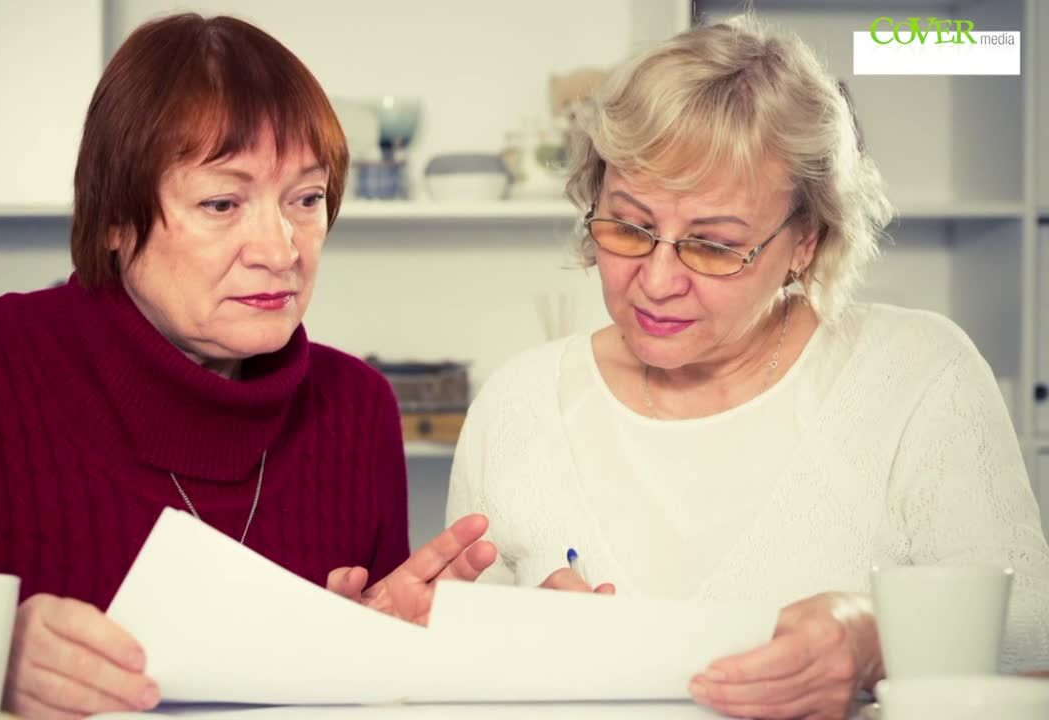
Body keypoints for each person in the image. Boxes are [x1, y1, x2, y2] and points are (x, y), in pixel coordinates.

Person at [0, 13, 495, 719]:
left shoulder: (356, 407)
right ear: (116, 218)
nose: (283, 249)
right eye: (222, 202)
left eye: (305, 199)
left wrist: (378, 655)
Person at [445, 14, 1049, 720]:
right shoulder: (519, 403)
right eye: (629, 227)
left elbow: (1034, 647)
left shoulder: (917, 376)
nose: (659, 280)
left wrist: (874, 638)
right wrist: (516, 649)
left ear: (805, 241)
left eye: (713, 245)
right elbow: (454, 676)